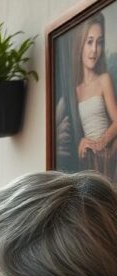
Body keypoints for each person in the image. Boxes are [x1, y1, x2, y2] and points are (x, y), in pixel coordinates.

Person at [75, 13, 117, 178]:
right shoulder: (76, 91)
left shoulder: (104, 80)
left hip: (107, 156)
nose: (94, 50)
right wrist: (83, 142)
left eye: (99, 43)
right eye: (89, 42)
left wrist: (101, 143)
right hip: (89, 164)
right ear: (81, 45)